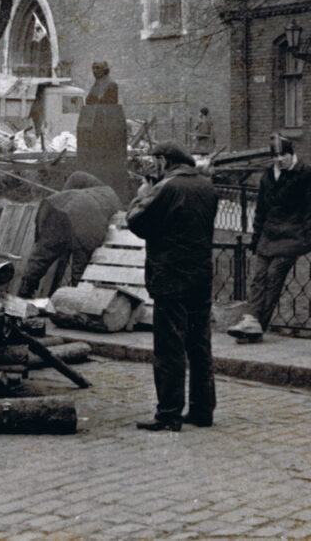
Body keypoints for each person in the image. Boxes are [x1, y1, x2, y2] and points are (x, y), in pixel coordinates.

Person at [126, 141, 218, 431]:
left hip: (170, 277)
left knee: (169, 347)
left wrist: (141, 196)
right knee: (200, 345)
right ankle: (202, 411)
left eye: (156, 161)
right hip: (200, 275)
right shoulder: (207, 187)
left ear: (164, 161)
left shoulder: (167, 189)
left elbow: (138, 223)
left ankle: (169, 413)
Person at [227, 134, 311, 343]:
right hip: (269, 234)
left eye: (284, 154)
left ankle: (256, 324)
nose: (280, 159)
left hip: (292, 234)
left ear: (292, 154)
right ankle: (250, 320)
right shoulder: (268, 176)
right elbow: (261, 211)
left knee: (273, 276)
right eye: (276, 155)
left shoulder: (305, 174)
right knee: (259, 277)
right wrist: (256, 238)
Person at [17, 171, 123, 298]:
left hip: (58, 207)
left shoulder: (82, 185)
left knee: (42, 254)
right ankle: (77, 302)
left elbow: (66, 196)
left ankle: (23, 293)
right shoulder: (107, 194)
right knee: (81, 266)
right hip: (88, 223)